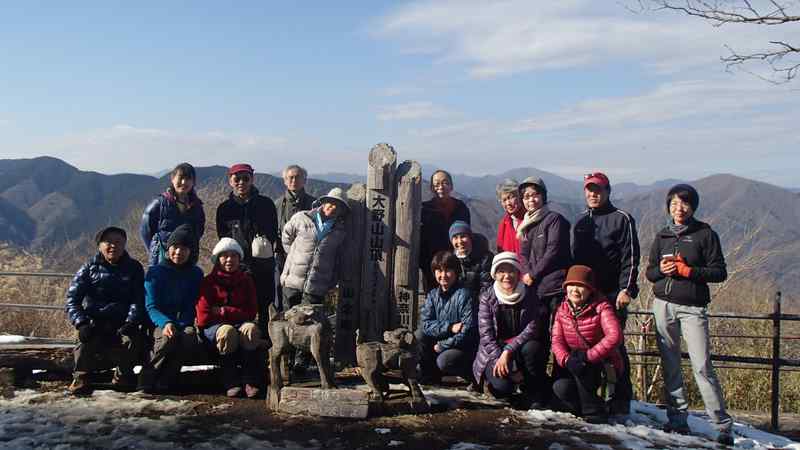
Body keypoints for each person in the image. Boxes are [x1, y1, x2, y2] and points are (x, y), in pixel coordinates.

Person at [646, 184, 733, 445]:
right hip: (662, 305)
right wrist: (661, 270)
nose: (679, 208)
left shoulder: (705, 234)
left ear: (693, 206)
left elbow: (719, 272)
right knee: (670, 365)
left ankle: (721, 426)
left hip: (693, 308)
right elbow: (650, 272)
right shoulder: (662, 235)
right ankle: (677, 421)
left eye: (684, 203)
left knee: (702, 365)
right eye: (674, 203)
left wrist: (689, 272)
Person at [572, 171, 640, 415]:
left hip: (612, 294)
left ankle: (620, 400)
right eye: (589, 190)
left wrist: (626, 289)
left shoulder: (622, 219)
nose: (593, 194)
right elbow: (575, 260)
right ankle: (591, 399)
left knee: (614, 347)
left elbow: (631, 258)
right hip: (586, 296)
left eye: (598, 190)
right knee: (587, 345)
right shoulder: (581, 222)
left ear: (608, 191)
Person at [64, 226, 146, 395]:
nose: (113, 246)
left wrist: (131, 321)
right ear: (99, 245)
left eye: (118, 242)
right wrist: (81, 323)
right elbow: (72, 300)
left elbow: (138, 299)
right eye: (108, 242)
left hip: (122, 321)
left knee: (131, 340)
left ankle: (123, 377)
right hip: (95, 321)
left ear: (124, 245)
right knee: (83, 341)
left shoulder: (134, 268)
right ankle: (81, 378)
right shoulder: (89, 267)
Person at [472, 252, 549, 406]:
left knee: (533, 348)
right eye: (501, 271)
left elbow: (532, 327)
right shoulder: (487, 297)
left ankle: (532, 390)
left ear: (518, 273)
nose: (506, 276)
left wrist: (508, 351)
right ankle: (491, 383)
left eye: (511, 271)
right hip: (494, 353)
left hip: (518, 349)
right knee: (503, 387)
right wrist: (507, 365)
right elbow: (486, 336)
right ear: (494, 274)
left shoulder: (529, 294)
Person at [551, 265, 623, 424]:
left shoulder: (602, 307)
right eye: (571, 285)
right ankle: (580, 407)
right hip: (574, 362)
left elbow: (615, 336)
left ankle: (593, 411)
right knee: (560, 387)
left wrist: (588, 356)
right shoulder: (562, 310)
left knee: (582, 366)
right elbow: (556, 340)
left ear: (590, 289)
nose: (575, 290)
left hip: (599, 364)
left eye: (581, 286)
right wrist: (566, 360)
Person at [138, 224, 205, 393]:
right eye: (175, 247)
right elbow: (151, 306)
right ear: (168, 249)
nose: (179, 252)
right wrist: (166, 323)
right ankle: (146, 379)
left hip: (182, 321)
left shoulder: (195, 274)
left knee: (188, 337)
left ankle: (167, 378)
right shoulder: (155, 272)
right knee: (167, 338)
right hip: (158, 321)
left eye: (184, 248)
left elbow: (192, 304)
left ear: (190, 252)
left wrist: (182, 324)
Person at [197, 238, 267, 398]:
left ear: (239, 259)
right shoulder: (208, 282)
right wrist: (237, 313)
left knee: (251, 330)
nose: (229, 260)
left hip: (240, 324)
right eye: (225, 256)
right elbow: (203, 317)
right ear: (217, 259)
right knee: (227, 332)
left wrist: (223, 311)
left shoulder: (246, 280)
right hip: (214, 330)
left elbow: (251, 312)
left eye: (233, 256)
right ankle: (231, 381)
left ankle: (250, 380)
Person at [216, 163, 279, 332]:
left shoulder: (266, 204)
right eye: (237, 179)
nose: (241, 182)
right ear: (230, 181)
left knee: (265, 305)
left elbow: (273, 233)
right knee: (239, 305)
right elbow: (223, 238)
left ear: (252, 179)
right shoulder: (224, 209)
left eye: (246, 178)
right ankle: (240, 341)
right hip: (237, 267)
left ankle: (266, 341)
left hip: (263, 265)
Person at [415, 251, 478, 386]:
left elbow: (467, 331)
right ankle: (429, 376)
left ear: (456, 272)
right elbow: (425, 324)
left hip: (462, 347)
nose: (443, 275)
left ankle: (474, 377)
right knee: (419, 335)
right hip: (441, 340)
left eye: (448, 270)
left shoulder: (465, 295)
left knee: (445, 361)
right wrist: (450, 327)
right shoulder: (433, 295)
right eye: (439, 270)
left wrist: (443, 345)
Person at [280, 187, 349, 307]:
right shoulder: (302, 217)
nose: (333, 207)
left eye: (339, 206)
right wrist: (293, 256)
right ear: (324, 202)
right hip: (292, 283)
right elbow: (286, 236)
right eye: (331, 203)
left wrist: (329, 283)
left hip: (316, 288)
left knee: (310, 318)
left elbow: (338, 260)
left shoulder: (340, 232)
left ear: (342, 211)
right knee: (287, 316)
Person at [517, 177, 571, 316]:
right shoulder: (526, 225)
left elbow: (553, 251)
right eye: (526, 197)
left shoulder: (554, 220)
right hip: (535, 288)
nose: (531, 200)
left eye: (535, 195)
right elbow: (523, 254)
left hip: (554, 287)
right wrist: (527, 273)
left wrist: (532, 274)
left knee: (555, 327)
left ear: (543, 196)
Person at [140, 162, 205, 266]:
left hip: (188, 258)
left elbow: (199, 231)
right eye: (181, 178)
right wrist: (154, 249)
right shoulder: (159, 204)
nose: (183, 182)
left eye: (188, 179)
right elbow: (145, 231)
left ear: (193, 182)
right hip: (162, 258)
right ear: (172, 178)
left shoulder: (197, 206)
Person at [420, 170, 471, 291]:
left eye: (445, 183)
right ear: (431, 188)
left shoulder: (461, 208)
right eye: (436, 184)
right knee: (434, 297)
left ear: (451, 186)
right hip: (432, 265)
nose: (440, 187)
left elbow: (467, 235)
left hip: (457, 262)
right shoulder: (424, 209)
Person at [274, 164, 316, 310]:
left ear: (305, 180)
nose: (294, 180)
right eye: (290, 177)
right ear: (285, 181)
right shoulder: (277, 204)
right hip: (282, 258)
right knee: (284, 298)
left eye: (298, 177)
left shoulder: (314, 204)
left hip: (308, 259)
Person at [448, 220, 493, 299]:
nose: (459, 241)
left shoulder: (485, 258)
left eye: (463, 236)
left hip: (480, 302)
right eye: (455, 238)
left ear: (470, 238)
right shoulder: (452, 259)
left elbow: (486, 285)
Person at [495, 178, 525, 254]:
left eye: (511, 197)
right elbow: (500, 253)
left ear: (520, 196)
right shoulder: (504, 224)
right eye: (504, 200)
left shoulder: (530, 219)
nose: (508, 203)